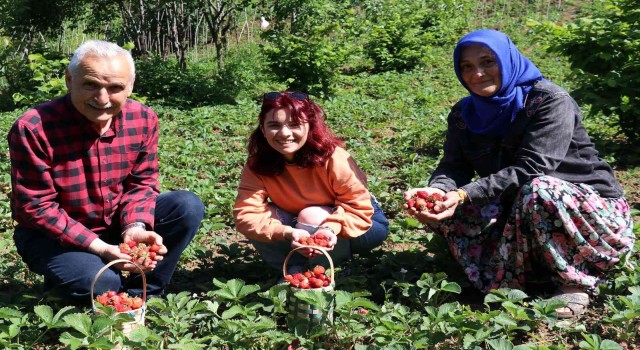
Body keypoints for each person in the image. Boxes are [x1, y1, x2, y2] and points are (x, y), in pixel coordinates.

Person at [404, 29, 634, 318]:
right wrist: (437, 191)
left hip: (584, 210)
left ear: (507, 60)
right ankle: (514, 272)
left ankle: (573, 282)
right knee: (449, 207)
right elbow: (454, 165)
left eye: (488, 62)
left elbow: (533, 167)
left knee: (539, 189)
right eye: (467, 66)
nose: (477, 74)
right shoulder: (464, 114)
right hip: (516, 205)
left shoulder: (549, 101)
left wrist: (463, 193)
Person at [8, 40, 205, 305]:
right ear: (69, 79)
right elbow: (36, 207)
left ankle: (143, 292)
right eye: (91, 84)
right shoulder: (34, 127)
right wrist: (101, 248)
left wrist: (134, 226)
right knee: (104, 283)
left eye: (115, 88)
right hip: (50, 237)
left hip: (114, 224)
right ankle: (89, 277)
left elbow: (142, 183)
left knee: (186, 205)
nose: (102, 99)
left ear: (130, 87)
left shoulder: (143, 119)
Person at [233, 91, 389, 275]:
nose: (284, 133)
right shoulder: (258, 164)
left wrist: (329, 228)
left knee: (311, 215)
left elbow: (358, 208)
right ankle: (294, 270)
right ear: (263, 129)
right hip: (299, 221)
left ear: (310, 126)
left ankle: (327, 273)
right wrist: (286, 232)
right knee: (258, 221)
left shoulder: (333, 157)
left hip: (362, 224)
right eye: (274, 125)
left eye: (294, 125)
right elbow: (246, 214)